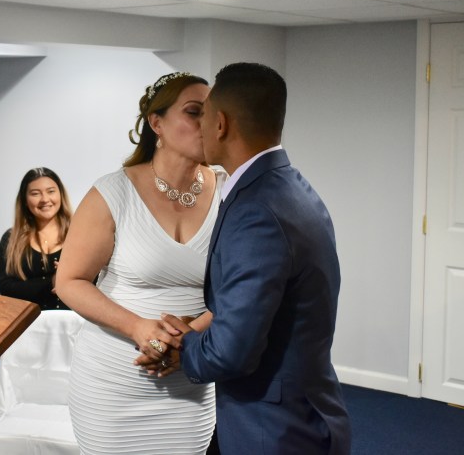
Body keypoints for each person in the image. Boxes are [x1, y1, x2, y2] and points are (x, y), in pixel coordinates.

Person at [144, 62, 351, 454]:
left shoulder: (257, 210)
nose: (200, 127)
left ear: (220, 124)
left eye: (203, 115)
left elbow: (231, 352)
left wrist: (178, 346)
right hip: (302, 410)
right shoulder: (291, 187)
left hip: (273, 429)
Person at [55, 71, 226, 454]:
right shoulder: (113, 192)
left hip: (189, 378)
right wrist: (138, 327)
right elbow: (69, 282)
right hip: (113, 382)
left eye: (213, 112)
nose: (207, 123)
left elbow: (243, 287)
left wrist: (189, 336)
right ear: (156, 123)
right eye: (194, 112)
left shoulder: (227, 190)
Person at [0, 167, 73, 310]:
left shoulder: (79, 233)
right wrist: (52, 281)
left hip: (76, 320)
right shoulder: (11, 239)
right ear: (25, 200)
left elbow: (99, 280)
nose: (45, 199)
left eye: (51, 191)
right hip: (31, 321)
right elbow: (7, 290)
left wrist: (73, 276)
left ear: (61, 194)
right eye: (35, 193)